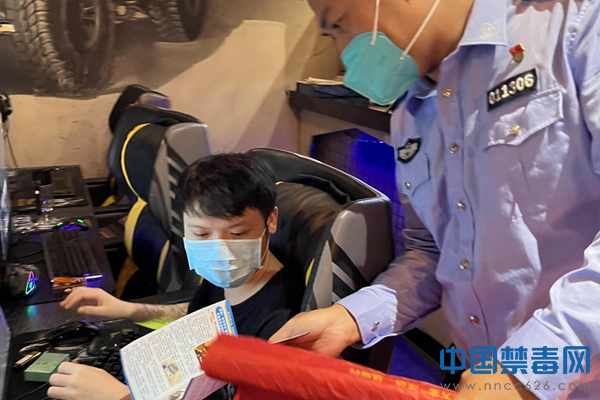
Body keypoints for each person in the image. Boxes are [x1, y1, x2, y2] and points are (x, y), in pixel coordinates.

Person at [271, 0, 600, 399]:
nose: (343, 51)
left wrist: (524, 373)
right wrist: (352, 317)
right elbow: (432, 252)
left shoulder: (574, 27)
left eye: (338, 24)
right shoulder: (410, 114)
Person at [47, 153, 304, 400]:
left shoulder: (281, 324)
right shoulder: (225, 279)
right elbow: (195, 318)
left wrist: (120, 398)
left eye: (237, 234)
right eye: (201, 234)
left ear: (271, 220)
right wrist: (128, 310)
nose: (220, 251)